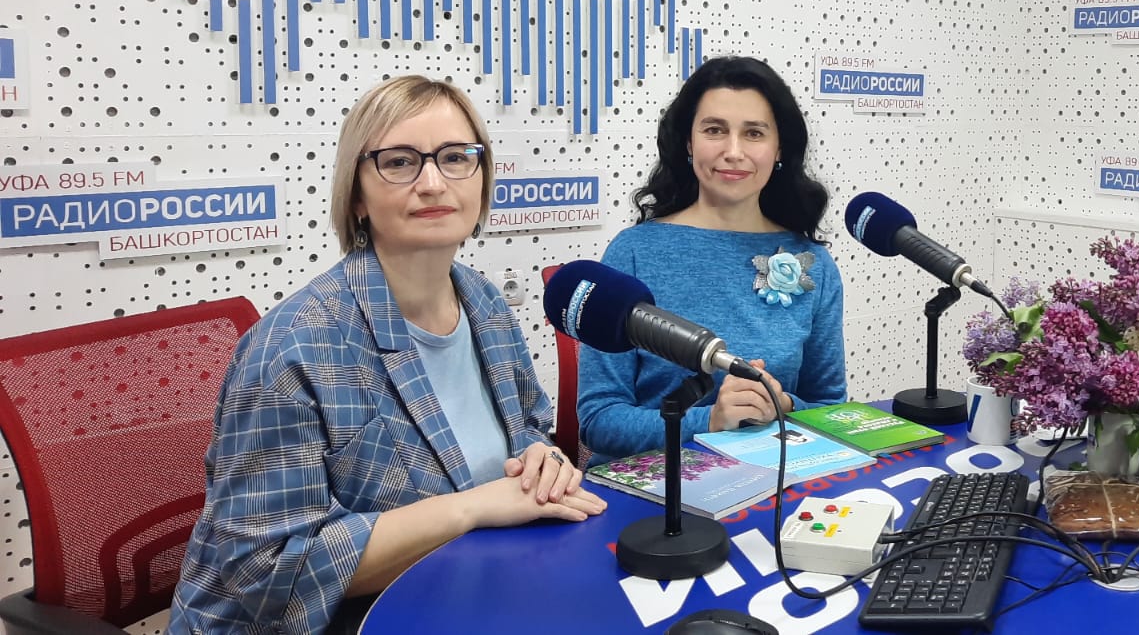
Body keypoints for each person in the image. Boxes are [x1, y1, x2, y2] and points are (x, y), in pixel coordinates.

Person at [169, 76, 606, 635]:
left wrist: (539, 458)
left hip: (453, 592)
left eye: (455, 158)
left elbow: (525, 426)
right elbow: (269, 573)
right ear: (356, 196)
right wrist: (472, 508)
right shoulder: (293, 346)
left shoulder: (484, 301)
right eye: (399, 162)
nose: (433, 182)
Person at [577, 56, 848, 463]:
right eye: (714, 130)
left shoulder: (814, 264)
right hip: (655, 489)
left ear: (779, 148)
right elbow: (599, 421)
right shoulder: (632, 253)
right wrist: (710, 421)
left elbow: (831, 410)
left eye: (754, 133)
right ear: (689, 142)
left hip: (772, 481)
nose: (733, 152)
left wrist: (784, 406)